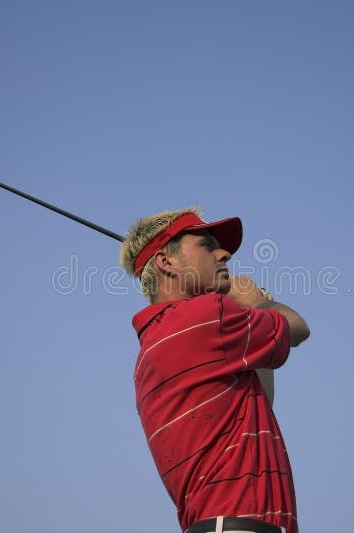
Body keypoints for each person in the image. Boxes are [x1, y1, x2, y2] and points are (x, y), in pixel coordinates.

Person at [120, 207, 310, 533]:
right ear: (166, 262)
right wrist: (256, 302)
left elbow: (259, 399)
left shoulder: (152, 350)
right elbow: (298, 327)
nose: (224, 254)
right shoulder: (208, 316)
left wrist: (247, 310)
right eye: (207, 245)